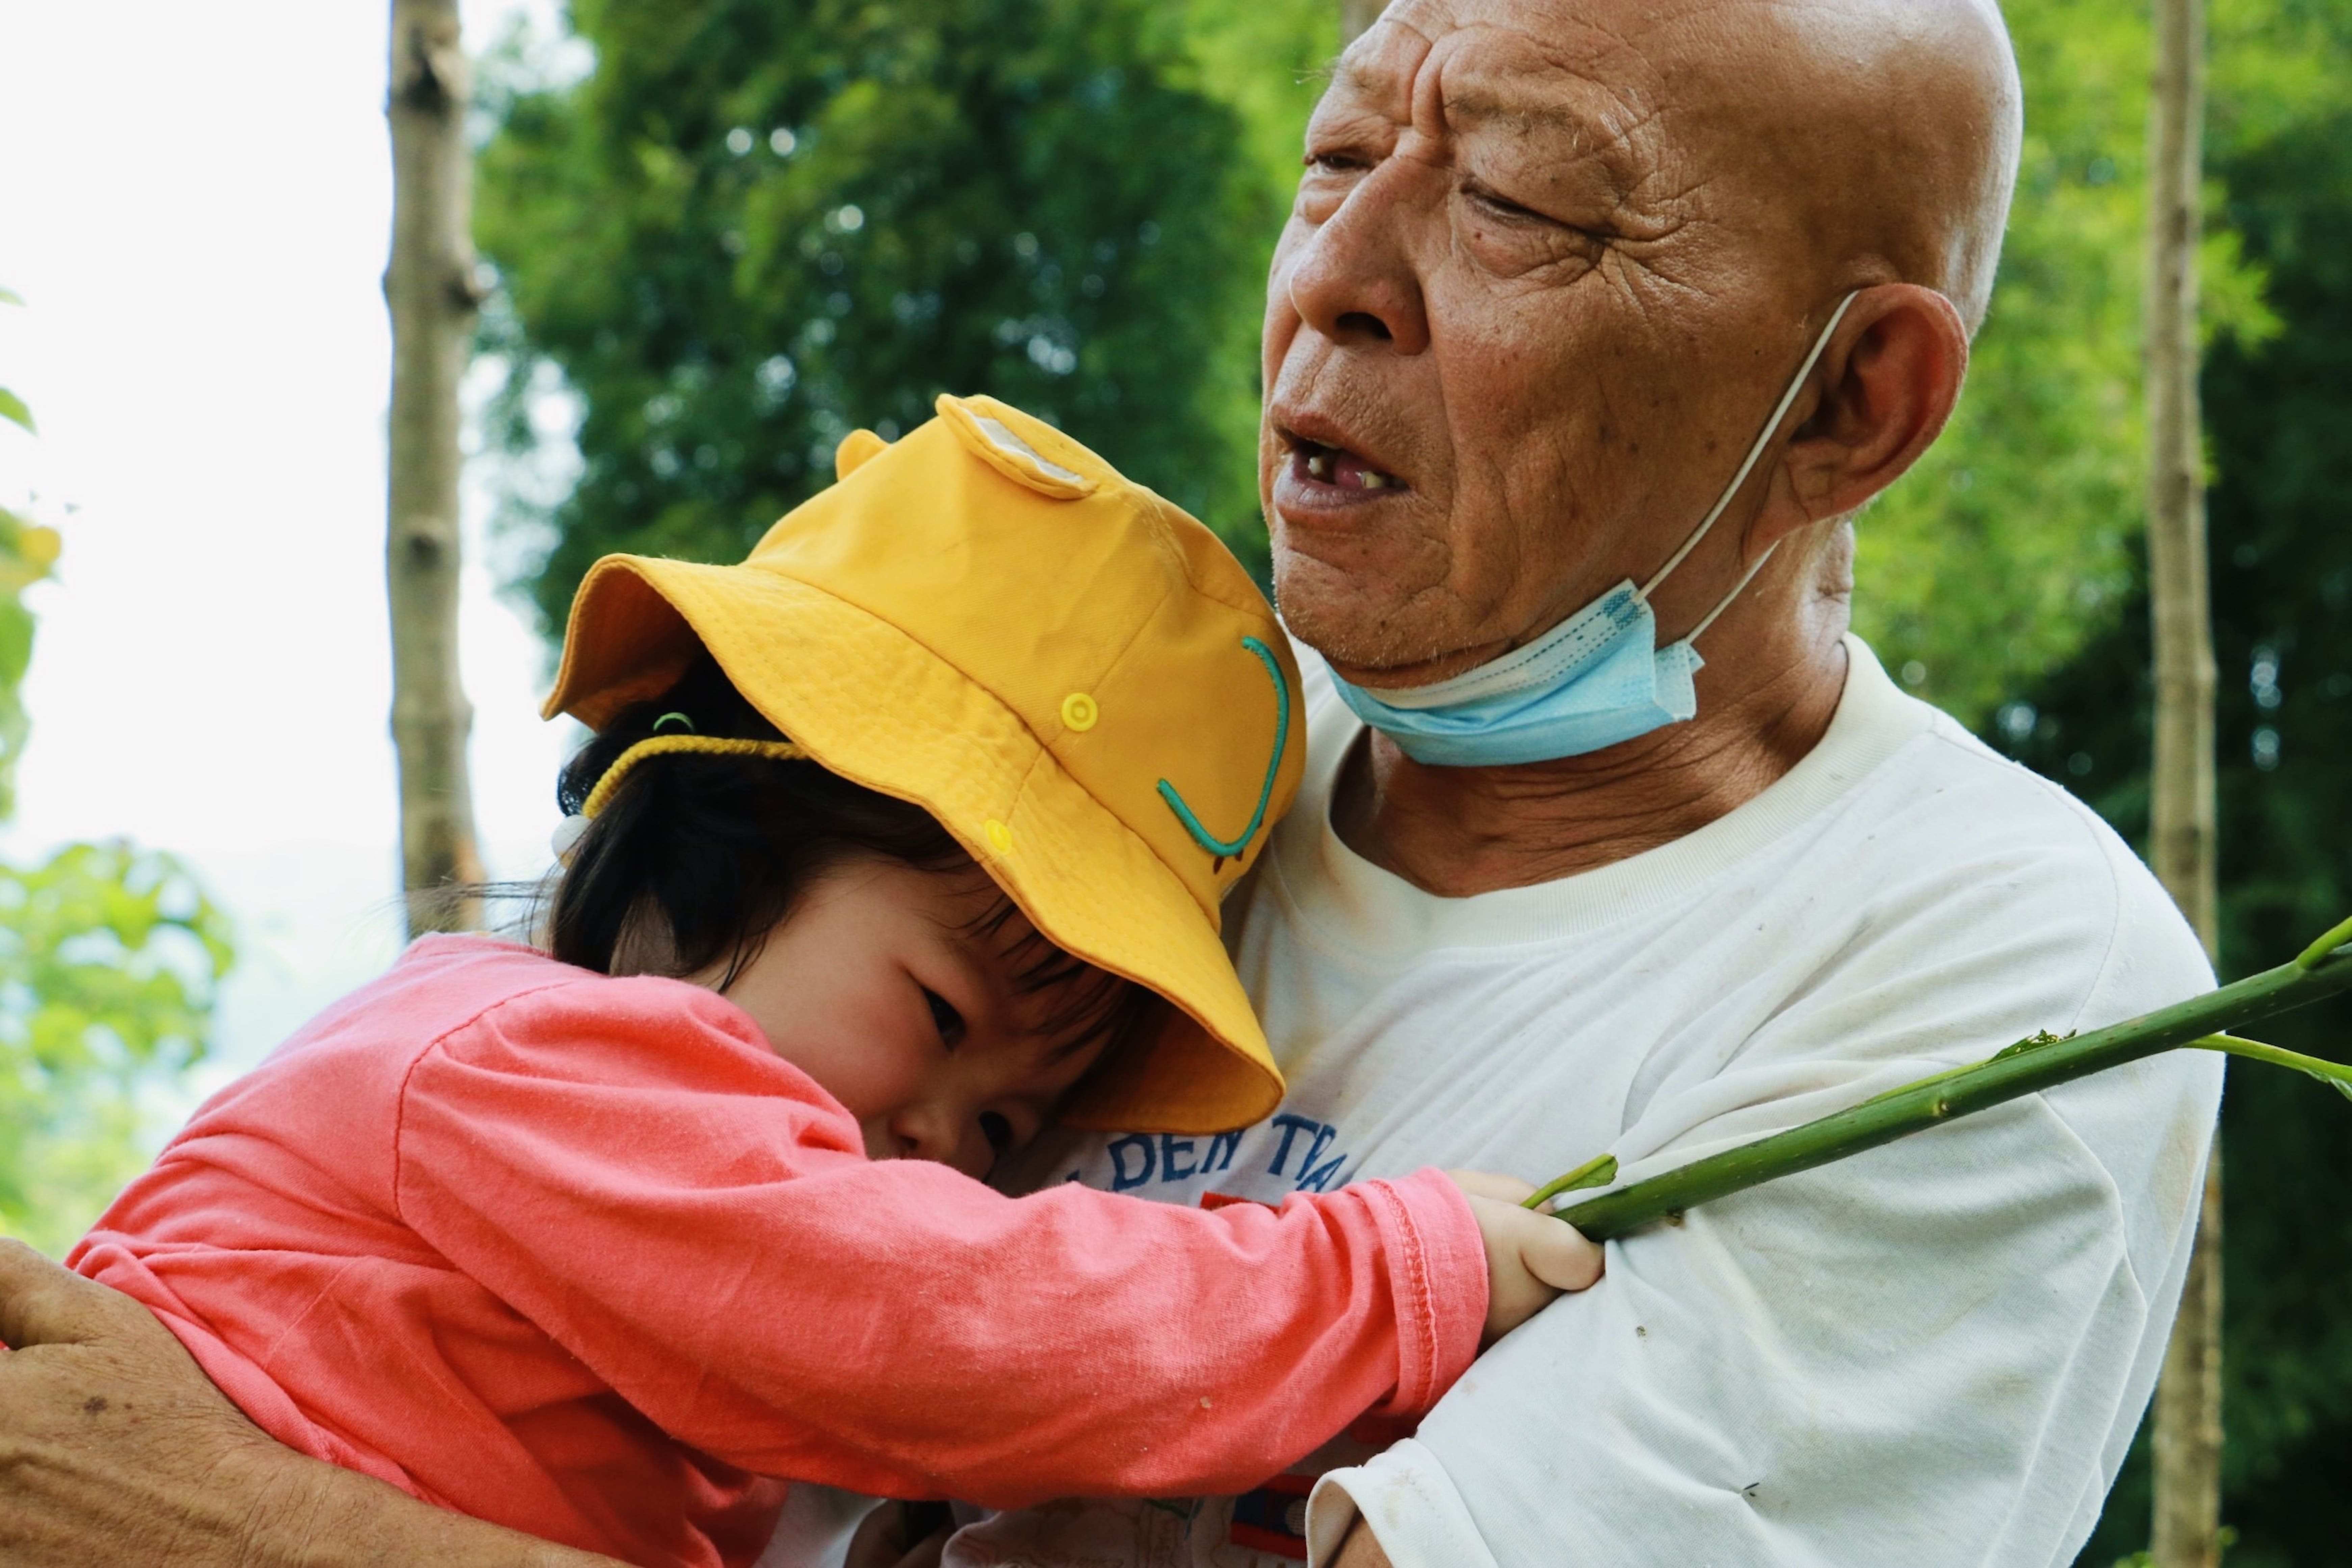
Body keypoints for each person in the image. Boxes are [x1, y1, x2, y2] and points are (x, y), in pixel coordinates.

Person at [0, 0, 2224, 1564]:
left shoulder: (1979, 975)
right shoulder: (1136, 800)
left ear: (1852, 404)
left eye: (1525, 205)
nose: (1335, 288)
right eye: (1337, 161)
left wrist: (258, 1531)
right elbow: (903, 1315)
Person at [25, 395, 1598, 1568]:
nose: (933, 1143)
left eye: (1002, 1132)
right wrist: (1381, 1279)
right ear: (733, 811)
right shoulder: (541, 1064)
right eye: (935, 1016)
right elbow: (945, 1328)